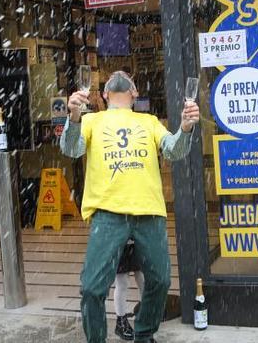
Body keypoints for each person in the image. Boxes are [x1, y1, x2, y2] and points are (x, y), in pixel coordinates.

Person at [60, 71, 200, 343]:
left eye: (127, 77)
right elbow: (70, 149)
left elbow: (174, 151)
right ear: (103, 94)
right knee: (91, 288)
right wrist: (74, 117)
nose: (120, 76)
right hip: (108, 214)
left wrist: (184, 127)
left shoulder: (149, 122)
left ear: (135, 93)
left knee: (160, 280)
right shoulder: (91, 119)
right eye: (114, 76)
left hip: (149, 212)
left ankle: (144, 334)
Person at [113, 240, 144, 340]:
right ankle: (121, 322)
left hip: (138, 239)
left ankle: (146, 313)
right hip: (118, 240)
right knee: (122, 282)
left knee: (143, 278)